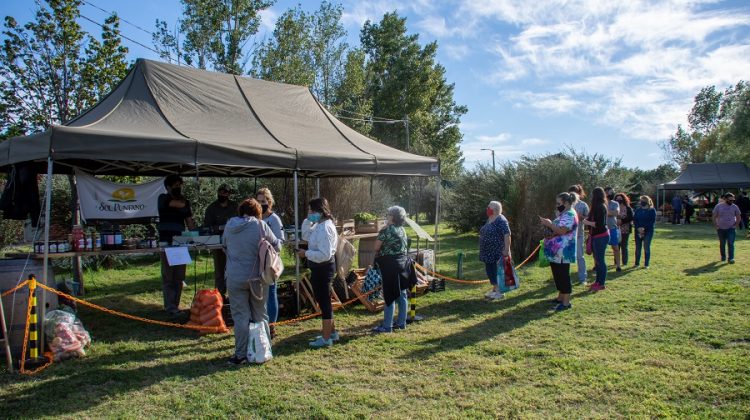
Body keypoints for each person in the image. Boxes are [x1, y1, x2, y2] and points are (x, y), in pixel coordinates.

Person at [223, 198, 281, 365]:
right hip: (257, 278)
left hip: (234, 277)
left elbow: (224, 244)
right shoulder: (260, 225)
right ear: (258, 213)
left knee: (240, 316)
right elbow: (277, 245)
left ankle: (240, 354)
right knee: (260, 314)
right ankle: (264, 349)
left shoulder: (229, 225)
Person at [298, 197, 338, 348]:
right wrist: (308, 220)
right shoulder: (318, 225)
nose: (309, 213)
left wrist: (306, 253)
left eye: (311, 211)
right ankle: (332, 333)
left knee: (324, 302)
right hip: (319, 268)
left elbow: (325, 254)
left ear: (320, 212)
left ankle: (326, 338)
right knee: (323, 301)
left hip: (324, 268)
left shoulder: (325, 227)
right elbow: (306, 235)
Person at [157, 174, 195, 320]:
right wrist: (185, 203)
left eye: (180, 184)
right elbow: (177, 204)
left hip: (180, 243)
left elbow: (190, 222)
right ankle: (169, 307)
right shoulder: (162, 198)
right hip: (166, 243)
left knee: (179, 277)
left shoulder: (186, 202)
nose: (178, 187)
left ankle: (176, 306)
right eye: (175, 185)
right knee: (168, 276)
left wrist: (197, 234)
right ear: (168, 187)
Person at [371, 206, 410, 333]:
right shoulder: (402, 229)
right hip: (402, 263)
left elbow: (376, 247)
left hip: (389, 265)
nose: (386, 216)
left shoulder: (386, 230)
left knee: (389, 294)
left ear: (392, 217)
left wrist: (381, 230)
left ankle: (387, 326)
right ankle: (401, 322)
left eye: (388, 214)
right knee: (402, 293)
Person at [539, 192, 578, 311]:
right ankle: (561, 297)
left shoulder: (570, 215)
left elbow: (562, 231)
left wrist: (549, 224)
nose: (557, 205)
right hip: (557, 250)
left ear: (566, 203)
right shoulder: (564, 213)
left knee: (563, 275)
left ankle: (566, 302)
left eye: (559, 203)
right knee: (557, 274)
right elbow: (558, 229)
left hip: (563, 251)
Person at [256, 187, 285, 339]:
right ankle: (260, 323)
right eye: (258, 201)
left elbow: (280, 241)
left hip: (270, 261)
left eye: (263, 201)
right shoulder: (256, 218)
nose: (261, 204)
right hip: (256, 261)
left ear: (269, 202)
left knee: (271, 292)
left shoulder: (274, 219)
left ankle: (271, 326)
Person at [204, 184, 237, 301]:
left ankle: (233, 295)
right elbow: (206, 227)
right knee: (219, 271)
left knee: (234, 269)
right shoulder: (211, 208)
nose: (224, 194)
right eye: (222, 192)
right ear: (218, 192)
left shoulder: (235, 206)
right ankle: (220, 297)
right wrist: (221, 228)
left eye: (226, 193)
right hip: (218, 243)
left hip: (235, 243)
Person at [478, 201, 512, 300]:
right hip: (487, 252)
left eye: (489, 207)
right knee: (490, 270)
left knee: (494, 271)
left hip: (496, 251)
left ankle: (499, 292)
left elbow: (507, 235)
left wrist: (506, 249)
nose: (487, 208)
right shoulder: (490, 218)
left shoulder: (501, 219)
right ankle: (495, 290)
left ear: (495, 209)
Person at [583, 187, 609, 291]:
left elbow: (600, 224)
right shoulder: (596, 207)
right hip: (596, 237)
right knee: (597, 261)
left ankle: (601, 283)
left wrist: (586, 222)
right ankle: (597, 282)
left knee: (600, 260)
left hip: (601, 237)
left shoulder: (601, 207)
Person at [568, 185, 589, 285]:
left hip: (579, 234)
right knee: (565, 258)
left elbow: (588, 219)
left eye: (575, 192)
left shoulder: (583, 205)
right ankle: (566, 280)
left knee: (580, 256)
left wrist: (578, 216)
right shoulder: (565, 203)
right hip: (566, 235)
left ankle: (583, 278)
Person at [712, 193, 741, 264]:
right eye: (730, 200)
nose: (732, 201)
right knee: (722, 243)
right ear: (725, 199)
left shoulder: (735, 207)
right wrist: (716, 226)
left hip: (731, 228)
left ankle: (731, 258)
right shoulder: (718, 206)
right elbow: (714, 216)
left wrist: (735, 225)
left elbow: (738, 217)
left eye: (733, 200)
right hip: (721, 229)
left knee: (730, 243)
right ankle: (723, 257)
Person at [633, 195, 656, 268]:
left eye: (642, 201)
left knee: (646, 247)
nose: (641, 202)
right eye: (640, 201)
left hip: (648, 231)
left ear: (646, 201)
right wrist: (638, 228)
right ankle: (637, 263)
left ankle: (646, 264)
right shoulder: (638, 210)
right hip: (638, 231)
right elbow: (635, 220)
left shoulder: (652, 210)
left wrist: (644, 228)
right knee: (638, 247)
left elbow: (652, 221)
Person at [604, 187, 621, 271]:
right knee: (601, 249)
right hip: (603, 229)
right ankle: (598, 265)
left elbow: (616, 213)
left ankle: (618, 265)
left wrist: (606, 212)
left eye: (612, 192)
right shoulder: (601, 203)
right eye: (609, 192)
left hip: (612, 228)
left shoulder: (615, 203)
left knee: (616, 248)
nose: (611, 194)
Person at [614, 193, 633, 267]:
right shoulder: (614, 208)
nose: (619, 200)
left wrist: (622, 221)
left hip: (625, 230)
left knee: (624, 246)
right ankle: (616, 262)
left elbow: (630, 217)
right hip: (616, 229)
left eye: (620, 199)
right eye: (617, 199)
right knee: (616, 247)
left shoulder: (628, 208)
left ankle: (624, 262)